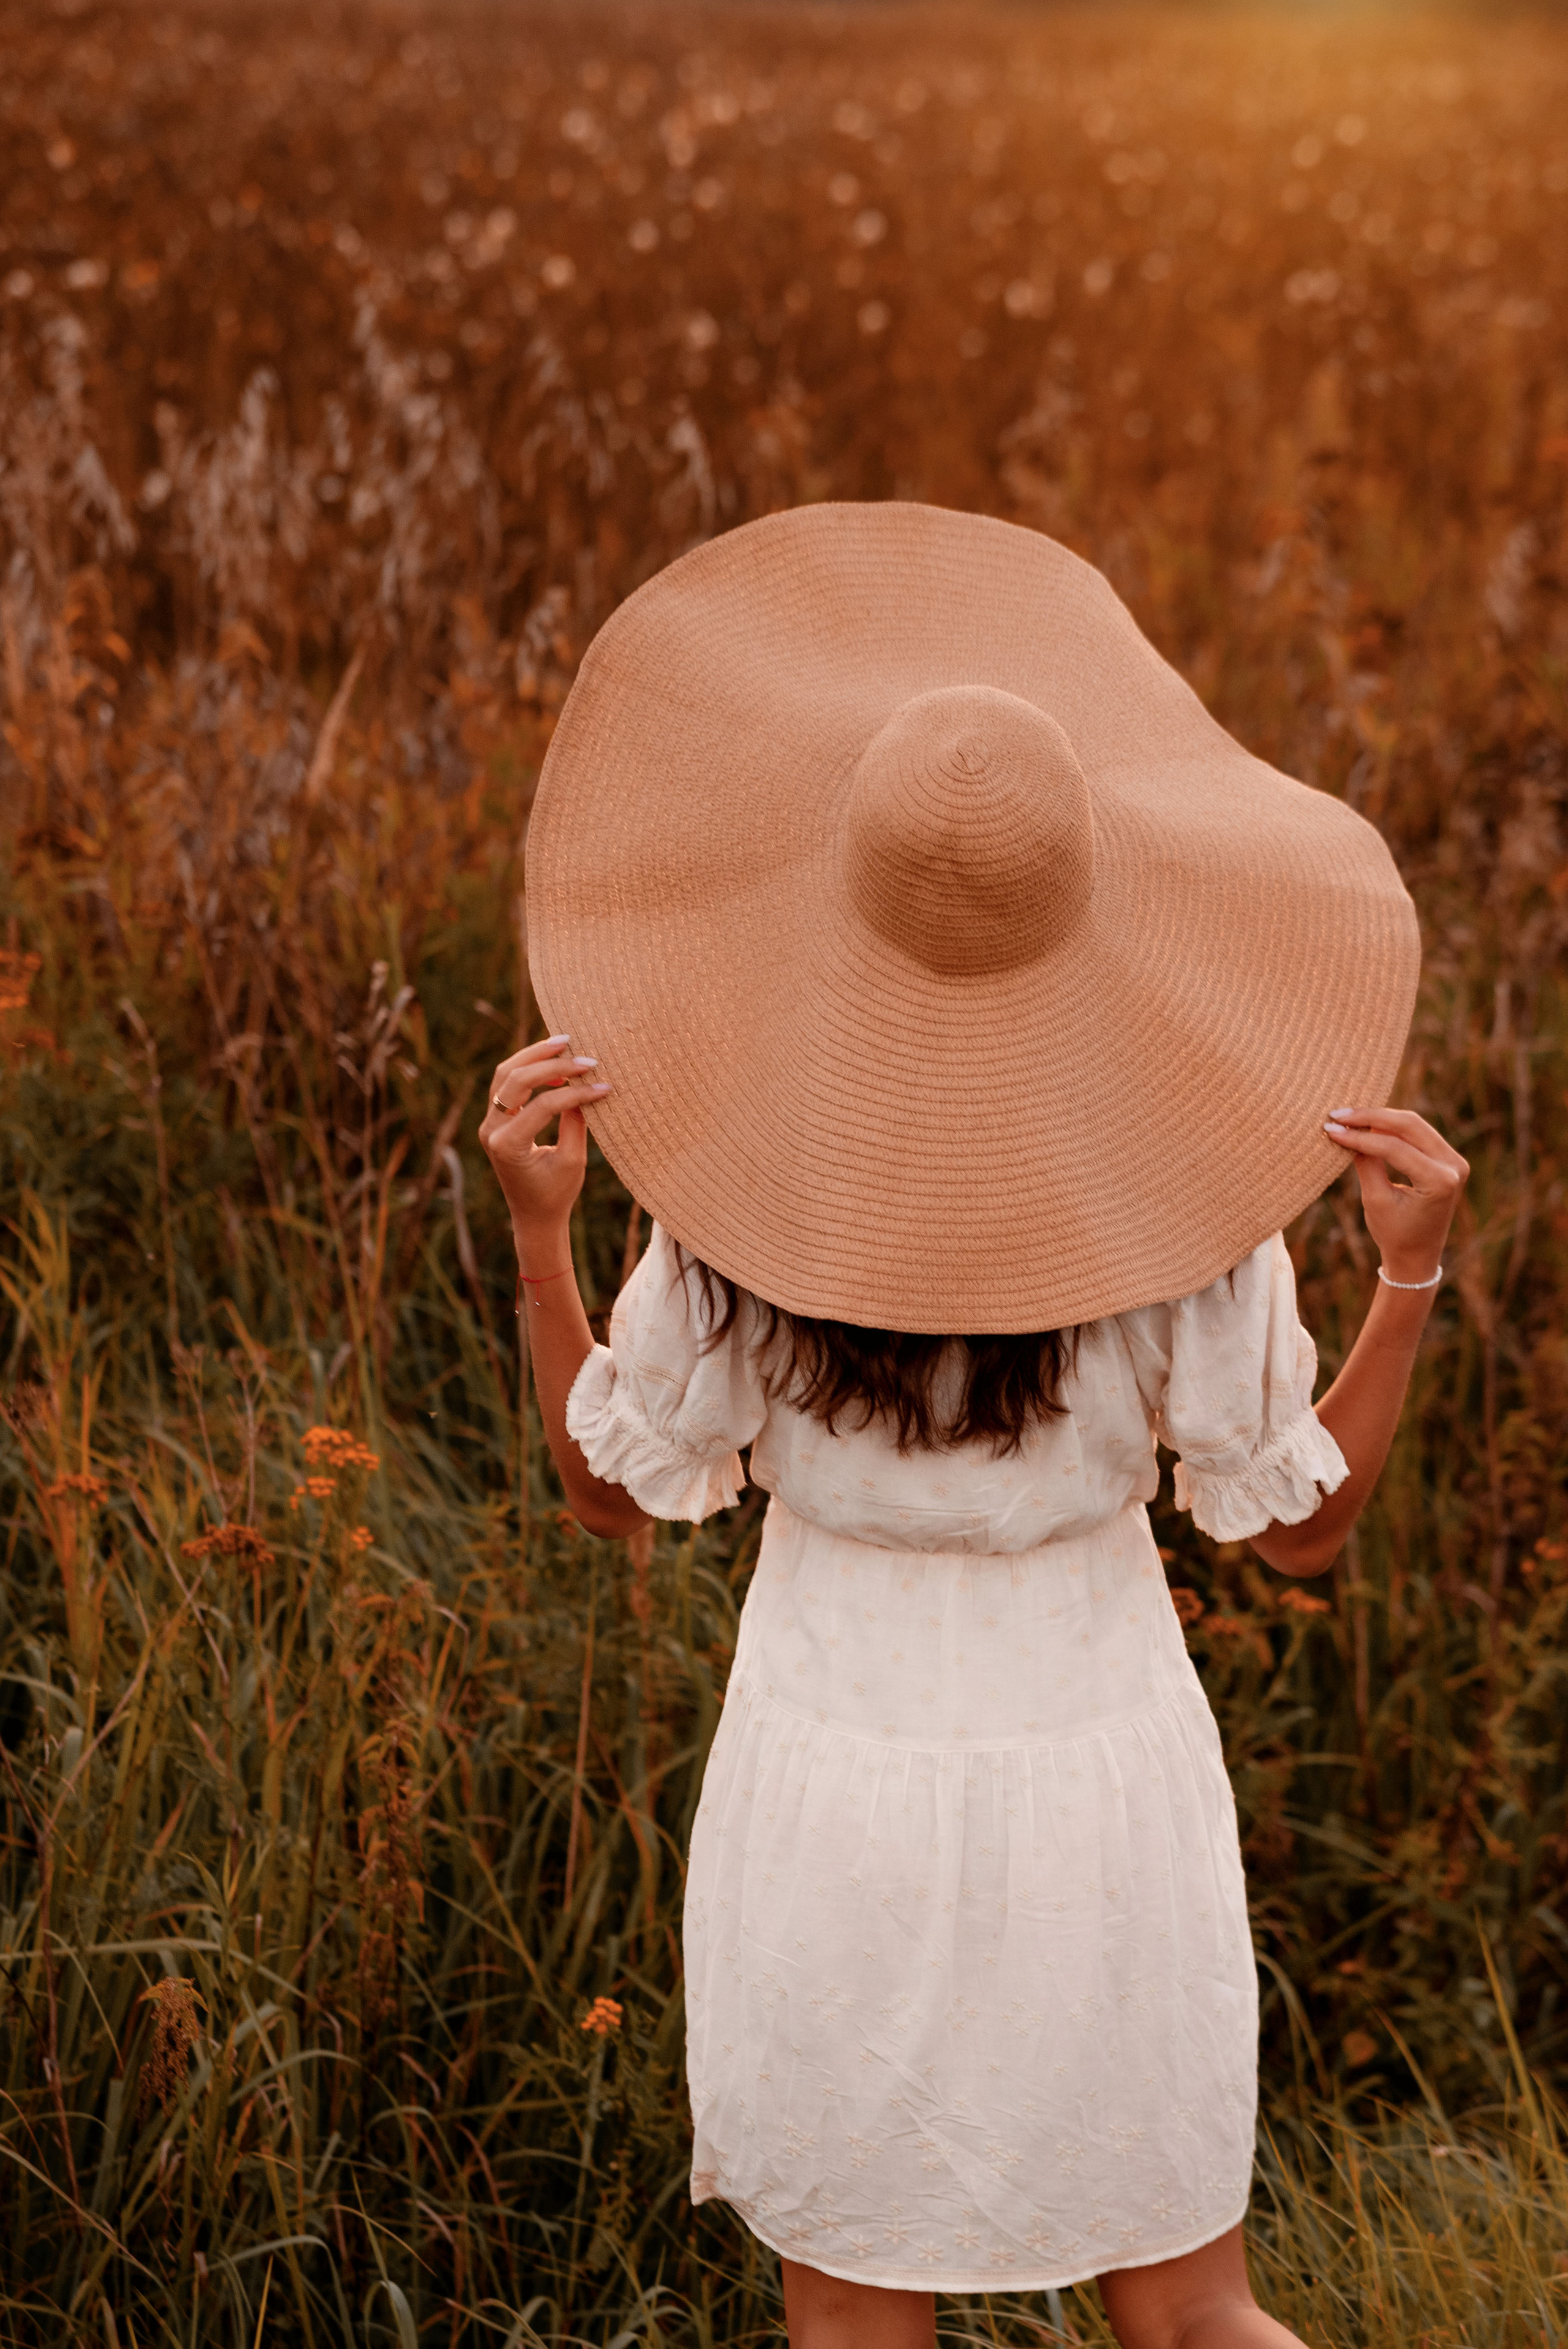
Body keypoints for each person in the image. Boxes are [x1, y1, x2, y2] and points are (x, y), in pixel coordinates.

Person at [481, 505, 1467, 2349]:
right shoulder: (1181, 1199)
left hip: (835, 1777)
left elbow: (610, 1499)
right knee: (1190, 2312)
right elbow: (1304, 1534)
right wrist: (1405, 1278)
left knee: (860, 2324)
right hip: (1101, 1763)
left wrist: (544, 1235)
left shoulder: (736, 1191)